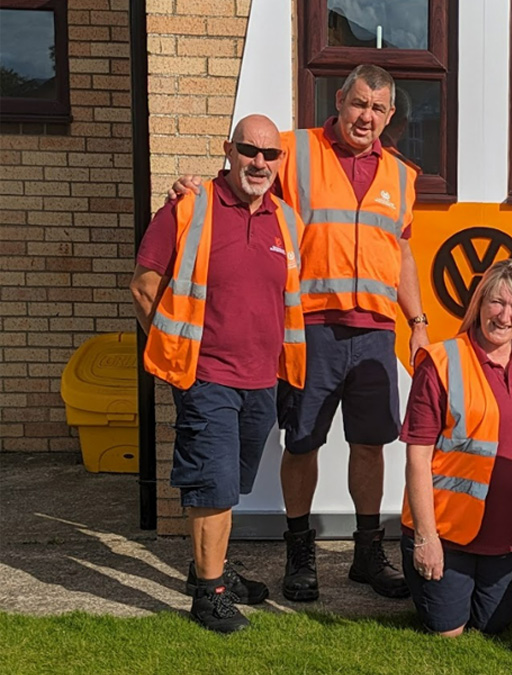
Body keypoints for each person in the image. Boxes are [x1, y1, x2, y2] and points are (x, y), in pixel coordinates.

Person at [171, 64, 428, 602]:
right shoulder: (296, 150)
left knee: (371, 445)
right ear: (339, 99)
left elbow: (401, 251)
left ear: (390, 116)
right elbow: (244, 174)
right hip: (311, 328)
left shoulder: (402, 176)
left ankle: (365, 553)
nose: (367, 117)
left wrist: (419, 322)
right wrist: (190, 186)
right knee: (303, 442)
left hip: (376, 333)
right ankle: (300, 552)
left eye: (379, 109)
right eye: (359, 103)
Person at [131, 115, 305, 633]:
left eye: (270, 154)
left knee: (233, 484)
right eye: (249, 150)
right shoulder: (189, 206)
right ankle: (209, 596)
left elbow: (287, 302)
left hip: (262, 382)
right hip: (206, 378)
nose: (259, 162)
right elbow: (143, 286)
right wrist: (177, 356)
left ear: (280, 161)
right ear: (229, 150)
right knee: (213, 486)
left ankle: (210, 568)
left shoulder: (288, 222)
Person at [399, 259, 512, 636]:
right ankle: (423, 561)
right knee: (449, 630)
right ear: (479, 303)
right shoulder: (439, 362)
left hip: (508, 536)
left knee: (494, 625)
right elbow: (417, 458)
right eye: (496, 302)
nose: (504, 316)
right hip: (446, 532)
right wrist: (427, 539)